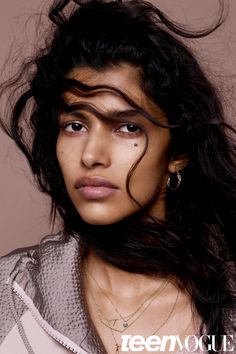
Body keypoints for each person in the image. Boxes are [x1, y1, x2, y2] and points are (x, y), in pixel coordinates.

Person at [0, 0, 235, 353]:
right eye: (75, 125)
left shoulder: (228, 312)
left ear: (177, 154)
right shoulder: (10, 293)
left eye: (126, 127)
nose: (92, 155)